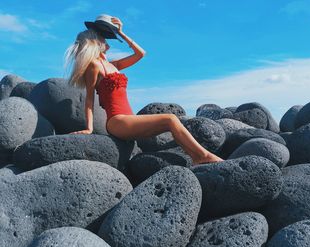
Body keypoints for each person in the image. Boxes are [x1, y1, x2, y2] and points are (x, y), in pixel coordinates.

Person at [64, 14, 223, 165]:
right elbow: (89, 99)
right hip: (117, 121)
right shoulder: (94, 66)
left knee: (170, 122)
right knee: (170, 119)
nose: (108, 41)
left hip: (128, 118)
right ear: (96, 41)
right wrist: (89, 128)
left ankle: (197, 157)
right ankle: (203, 156)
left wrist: (121, 33)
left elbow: (141, 54)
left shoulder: (114, 65)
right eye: (104, 37)